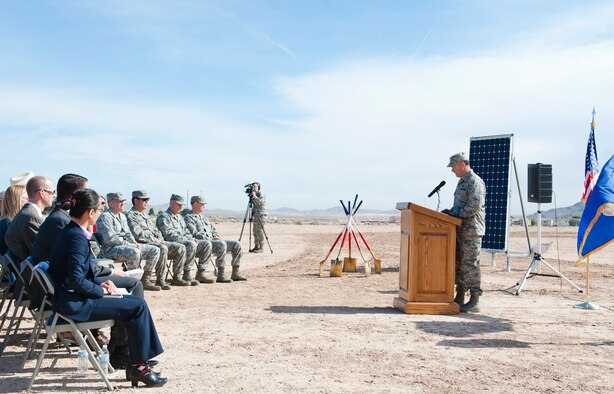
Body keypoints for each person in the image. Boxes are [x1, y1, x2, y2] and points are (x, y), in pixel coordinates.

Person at [48, 189, 167, 387]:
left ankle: (137, 361)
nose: (100, 213)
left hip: (72, 297)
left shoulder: (72, 232)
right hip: (75, 303)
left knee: (136, 303)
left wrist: (100, 283)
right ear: (90, 213)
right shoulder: (76, 237)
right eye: (99, 209)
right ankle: (139, 366)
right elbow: (77, 280)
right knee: (137, 307)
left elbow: (79, 274)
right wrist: (100, 291)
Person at [31, 174, 144, 358]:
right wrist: (104, 282)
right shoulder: (66, 223)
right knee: (133, 287)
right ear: (78, 197)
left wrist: (108, 272)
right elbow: (79, 269)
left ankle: (122, 346)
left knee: (128, 285)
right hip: (68, 293)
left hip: (66, 284)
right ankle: (121, 348)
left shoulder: (62, 219)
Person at [442, 152, 486, 313]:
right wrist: (451, 212)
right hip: (460, 230)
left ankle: (474, 300)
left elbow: (474, 206)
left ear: (461, 164)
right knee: (459, 264)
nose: (452, 170)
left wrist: (455, 214)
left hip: (471, 231)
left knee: (470, 264)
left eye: (453, 166)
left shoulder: (474, 181)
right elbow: (461, 205)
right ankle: (459, 295)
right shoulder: (462, 182)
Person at [96, 193, 162, 291]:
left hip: (126, 246)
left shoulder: (122, 216)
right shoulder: (105, 217)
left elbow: (128, 234)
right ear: (111, 203)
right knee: (134, 252)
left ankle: (145, 280)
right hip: (109, 249)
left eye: (123, 201)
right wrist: (130, 245)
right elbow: (110, 239)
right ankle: (131, 282)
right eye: (120, 201)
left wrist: (135, 243)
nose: (123, 203)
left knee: (155, 250)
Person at [126, 190, 186, 290]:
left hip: (156, 242)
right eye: (144, 200)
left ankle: (177, 277)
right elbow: (138, 234)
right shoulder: (130, 216)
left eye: (147, 200)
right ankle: (149, 279)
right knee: (162, 248)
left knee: (180, 247)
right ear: (135, 201)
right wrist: (155, 240)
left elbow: (156, 230)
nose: (146, 202)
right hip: (143, 243)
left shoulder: (146, 216)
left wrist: (160, 238)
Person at [184, 195, 246, 282]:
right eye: (202, 204)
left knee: (236, 243)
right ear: (195, 204)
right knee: (221, 244)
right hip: (202, 244)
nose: (204, 206)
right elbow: (194, 233)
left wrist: (216, 235)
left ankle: (235, 272)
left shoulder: (204, 218)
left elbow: (213, 229)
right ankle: (220, 274)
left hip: (213, 242)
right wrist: (211, 239)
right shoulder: (188, 218)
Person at [156, 194, 208, 286]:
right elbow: (169, 235)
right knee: (190, 244)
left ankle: (195, 273)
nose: (181, 207)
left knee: (205, 244)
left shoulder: (179, 217)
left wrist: (192, 238)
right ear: (171, 203)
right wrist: (188, 240)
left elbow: (186, 231)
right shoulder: (164, 217)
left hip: (183, 242)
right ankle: (178, 276)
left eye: (182, 205)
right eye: (178, 204)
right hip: (171, 244)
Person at [4, 176, 55, 262]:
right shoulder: (31, 217)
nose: (54, 196)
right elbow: (43, 253)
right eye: (52, 192)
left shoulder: (26, 213)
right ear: (42, 193)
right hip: (31, 273)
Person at [0, 185, 27, 257]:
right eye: (26, 198)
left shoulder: (6, 223)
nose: (29, 201)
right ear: (17, 201)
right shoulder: (7, 224)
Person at [249, 182, 267, 253]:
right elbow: (254, 206)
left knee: (260, 231)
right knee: (254, 231)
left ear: (258, 187)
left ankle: (261, 247)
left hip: (261, 215)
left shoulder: (261, 195)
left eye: (255, 186)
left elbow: (260, 203)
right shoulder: (254, 195)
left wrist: (255, 196)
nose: (254, 188)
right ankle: (256, 246)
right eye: (253, 187)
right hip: (256, 216)